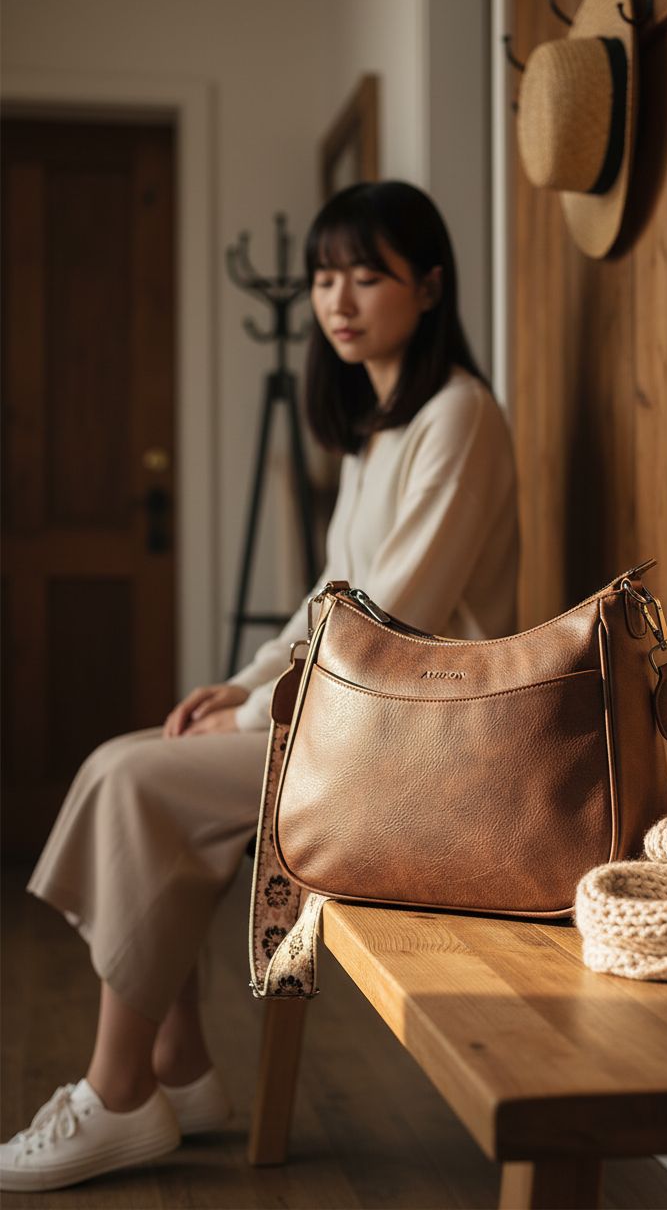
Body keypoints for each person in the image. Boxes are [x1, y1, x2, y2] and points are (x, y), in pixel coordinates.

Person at [0, 180, 520, 1192]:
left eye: (367, 275)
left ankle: (117, 1096)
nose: (339, 299)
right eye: (327, 276)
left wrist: (252, 711)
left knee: (139, 784)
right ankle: (181, 1070)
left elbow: (389, 621)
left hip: (419, 746)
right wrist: (234, 687)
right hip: (351, 724)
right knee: (137, 759)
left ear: (431, 287)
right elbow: (326, 605)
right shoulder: (375, 430)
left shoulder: (459, 418)